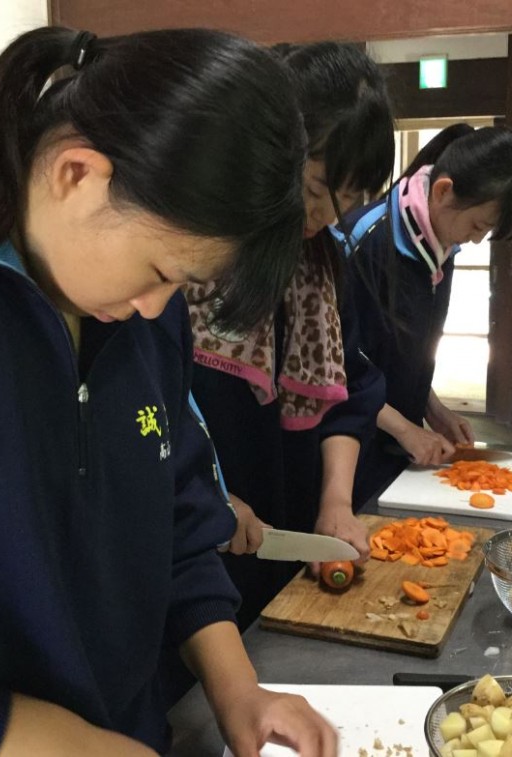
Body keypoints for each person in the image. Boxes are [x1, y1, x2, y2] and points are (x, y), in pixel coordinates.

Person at [0, 27, 339, 757]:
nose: (160, 307)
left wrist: (238, 688)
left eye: (182, 285)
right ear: (78, 173)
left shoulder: (137, 311)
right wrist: (51, 741)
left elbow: (179, 513)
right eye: (160, 269)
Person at [186, 42, 394, 628]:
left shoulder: (324, 265)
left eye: (352, 198)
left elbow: (350, 395)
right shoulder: (191, 258)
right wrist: (201, 491)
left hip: (289, 545)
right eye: (319, 188)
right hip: (199, 556)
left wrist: (334, 502)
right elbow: (153, 412)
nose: (330, 214)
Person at [339, 124, 512, 506]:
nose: (477, 239)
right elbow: (337, 367)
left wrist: (433, 410)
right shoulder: (366, 242)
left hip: (397, 443)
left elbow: (399, 353)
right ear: (443, 191)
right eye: (479, 226)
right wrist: (403, 427)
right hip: (343, 447)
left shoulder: (439, 244)